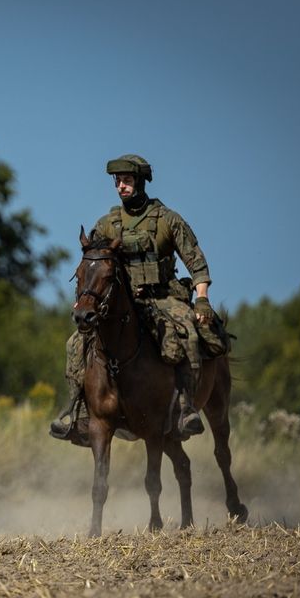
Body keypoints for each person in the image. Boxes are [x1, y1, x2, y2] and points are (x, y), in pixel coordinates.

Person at [50, 154, 215, 444]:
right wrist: (86, 298)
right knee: (74, 344)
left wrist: (201, 300)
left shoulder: (168, 220)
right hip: (120, 303)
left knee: (187, 332)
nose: (121, 187)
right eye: (118, 182)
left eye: (126, 181)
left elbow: (197, 264)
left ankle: (186, 408)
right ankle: (79, 412)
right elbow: (92, 264)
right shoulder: (106, 224)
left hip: (164, 297)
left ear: (140, 182)